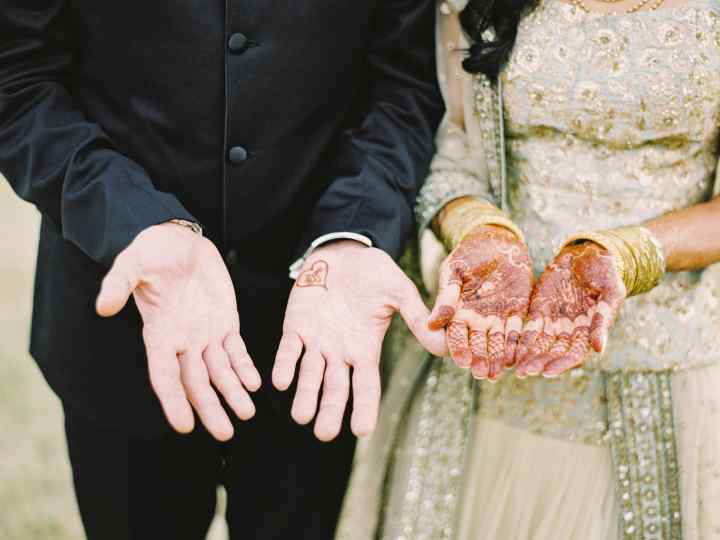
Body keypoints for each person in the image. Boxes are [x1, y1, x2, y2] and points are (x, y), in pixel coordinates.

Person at [0, 2, 448, 539]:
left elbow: (405, 86)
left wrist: (352, 232)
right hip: (124, 332)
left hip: (319, 342)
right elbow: (19, 80)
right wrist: (134, 221)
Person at [336, 0, 720, 538]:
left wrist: (626, 254)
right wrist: (482, 236)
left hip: (666, 356)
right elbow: (448, 147)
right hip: (487, 343)